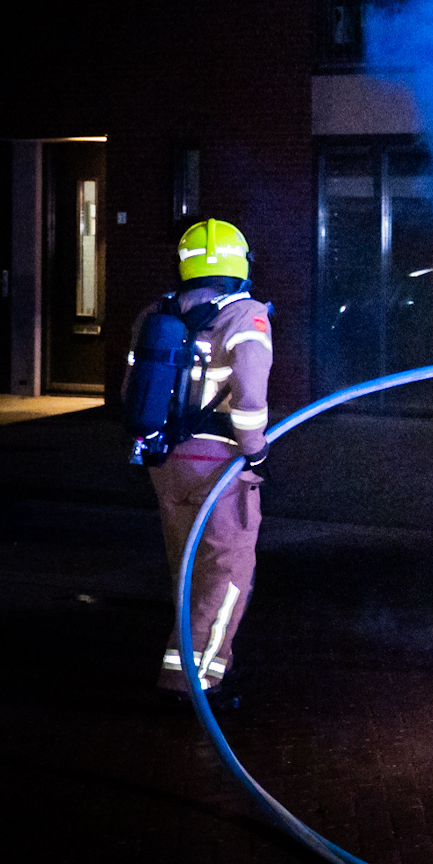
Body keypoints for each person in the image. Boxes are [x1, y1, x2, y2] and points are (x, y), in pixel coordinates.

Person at [128, 219, 275, 707]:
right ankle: (194, 680)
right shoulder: (246, 317)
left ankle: (204, 662)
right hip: (219, 465)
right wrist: (256, 451)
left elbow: (132, 391)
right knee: (228, 572)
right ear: (241, 263)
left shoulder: (156, 314)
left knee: (187, 567)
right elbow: (250, 400)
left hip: (165, 460)